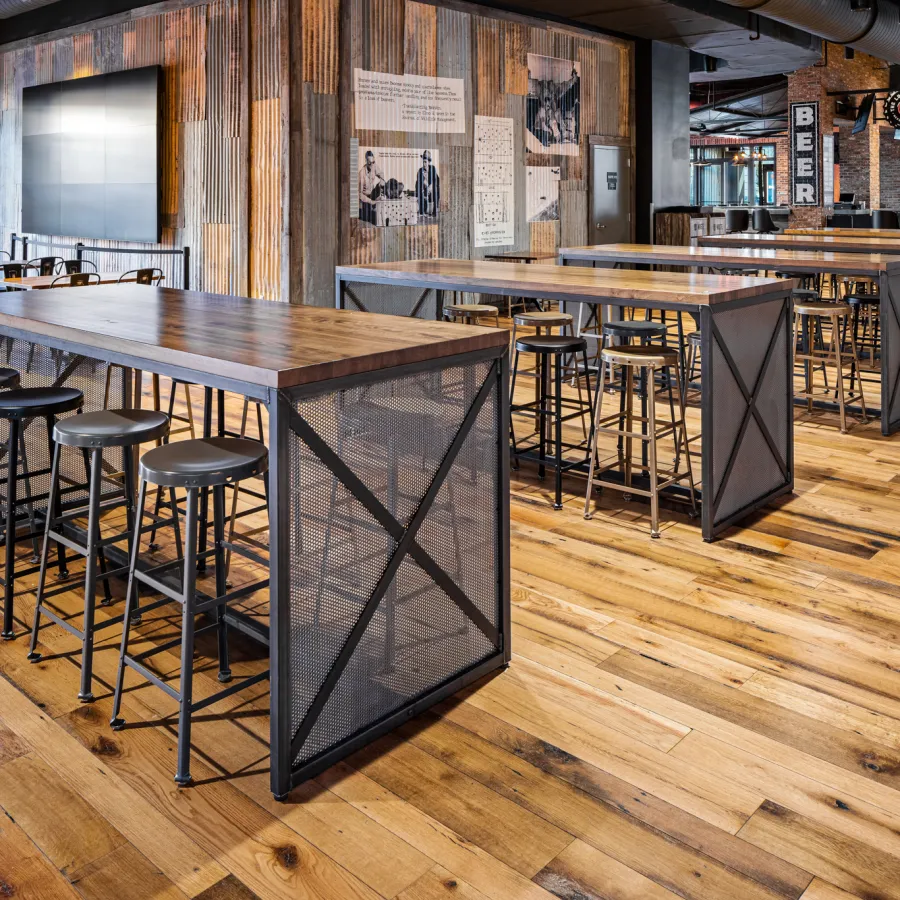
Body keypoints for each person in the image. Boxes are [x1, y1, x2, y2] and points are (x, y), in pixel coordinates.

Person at [358, 150, 384, 224]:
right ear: (366, 161)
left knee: (380, 184)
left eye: (373, 162)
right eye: (370, 163)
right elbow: (359, 194)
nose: (372, 165)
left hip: (372, 193)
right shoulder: (361, 174)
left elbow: (381, 173)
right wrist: (371, 202)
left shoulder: (374, 166)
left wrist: (382, 180)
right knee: (368, 219)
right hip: (365, 198)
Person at [416, 150, 440, 219]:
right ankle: (422, 211)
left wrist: (431, 186)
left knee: (436, 190)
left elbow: (436, 180)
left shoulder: (433, 168)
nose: (424, 164)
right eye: (423, 162)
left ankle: (434, 212)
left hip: (433, 189)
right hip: (424, 190)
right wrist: (423, 190)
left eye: (425, 162)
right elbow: (418, 184)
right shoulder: (420, 171)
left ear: (429, 162)